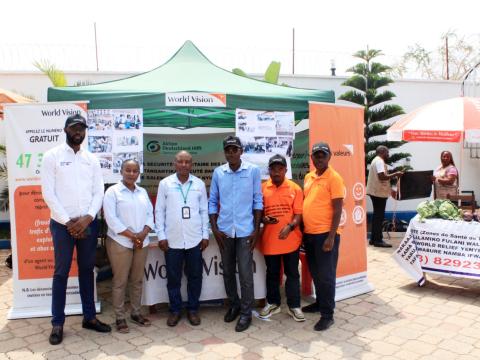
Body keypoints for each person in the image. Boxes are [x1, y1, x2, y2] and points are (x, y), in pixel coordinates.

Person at [41, 114, 111, 346]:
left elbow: (98, 191)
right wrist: (69, 222)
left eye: (81, 128)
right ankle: (57, 323)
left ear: (84, 131)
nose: (78, 131)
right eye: (74, 128)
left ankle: (89, 318)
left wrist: (89, 217)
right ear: (66, 130)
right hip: (62, 225)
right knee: (61, 273)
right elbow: (48, 193)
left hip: (87, 223)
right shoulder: (52, 156)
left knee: (87, 270)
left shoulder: (91, 159)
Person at [208, 135, 263, 332]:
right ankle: (234, 304)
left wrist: (256, 230)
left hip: (245, 231)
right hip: (224, 231)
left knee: (246, 274)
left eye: (235, 149)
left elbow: (258, 201)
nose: (231, 153)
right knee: (228, 272)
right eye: (228, 150)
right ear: (224, 152)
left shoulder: (253, 171)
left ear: (241, 151)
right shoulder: (218, 173)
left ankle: (246, 313)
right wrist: (214, 228)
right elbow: (213, 201)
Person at [155, 151, 209, 327]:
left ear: (191, 164)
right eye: (180, 161)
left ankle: (193, 309)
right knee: (173, 278)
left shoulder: (199, 184)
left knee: (195, 276)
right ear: (174, 163)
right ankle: (175, 310)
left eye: (187, 162)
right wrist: (161, 236)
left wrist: (205, 235)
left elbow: (203, 211)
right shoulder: (165, 184)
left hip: (194, 239)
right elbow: (159, 211)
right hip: (172, 240)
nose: (184, 164)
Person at [103, 159, 154, 333]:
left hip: (141, 241)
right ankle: (119, 317)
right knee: (120, 281)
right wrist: (133, 236)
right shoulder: (113, 192)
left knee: (137, 280)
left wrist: (143, 233)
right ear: (121, 171)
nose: (132, 174)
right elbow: (111, 219)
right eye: (128, 170)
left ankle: (136, 312)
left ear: (139, 173)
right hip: (120, 242)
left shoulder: (142, 191)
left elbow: (150, 214)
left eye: (135, 171)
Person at [301, 142, 344, 331]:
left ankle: (328, 314)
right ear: (312, 157)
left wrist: (331, 237)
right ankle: (320, 303)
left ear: (329, 157)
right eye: (316, 155)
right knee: (316, 273)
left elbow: (337, 210)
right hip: (310, 234)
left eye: (322, 155)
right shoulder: (309, 176)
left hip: (326, 235)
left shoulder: (334, 178)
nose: (319, 158)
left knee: (326, 276)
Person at [259, 154, 304, 322]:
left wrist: (290, 227)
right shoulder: (263, 188)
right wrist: (263, 219)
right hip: (270, 240)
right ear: (269, 170)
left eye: (280, 169)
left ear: (286, 170)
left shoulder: (295, 188)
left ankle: (294, 306)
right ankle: (273, 303)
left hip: (290, 241)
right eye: (273, 169)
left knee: (292, 274)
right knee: (272, 273)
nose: (276, 172)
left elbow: (299, 214)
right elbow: (259, 213)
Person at [366, 145, 403, 248]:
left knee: (376, 216)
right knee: (379, 216)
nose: (388, 154)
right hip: (378, 193)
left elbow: (382, 175)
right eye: (387, 152)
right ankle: (378, 240)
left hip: (375, 192)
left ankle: (373, 239)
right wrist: (395, 174)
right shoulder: (379, 161)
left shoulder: (376, 160)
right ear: (382, 152)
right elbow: (382, 176)